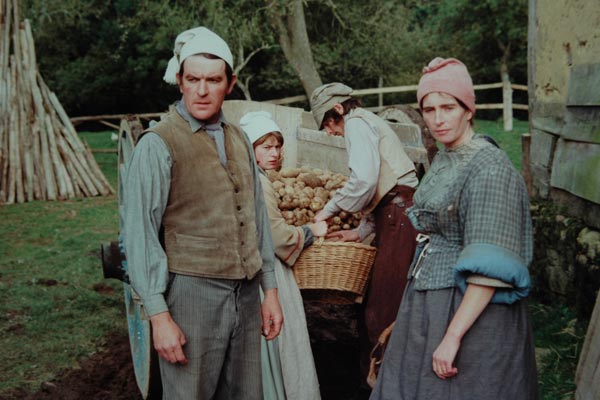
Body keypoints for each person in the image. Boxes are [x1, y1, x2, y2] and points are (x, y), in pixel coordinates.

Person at [122, 27, 283, 400]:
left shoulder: (240, 138)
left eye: (213, 80)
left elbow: (257, 218)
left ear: (230, 83)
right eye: (192, 79)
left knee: (245, 394)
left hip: (245, 296)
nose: (201, 90)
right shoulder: (159, 143)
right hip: (190, 295)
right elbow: (139, 233)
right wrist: (159, 317)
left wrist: (269, 290)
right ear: (179, 80)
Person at [370, 57, 538, 399]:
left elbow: (491, 267)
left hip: (472, 312)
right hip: (429, 300)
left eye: (448, 106)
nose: (438, 118)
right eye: (429, 109)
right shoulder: (447, 156)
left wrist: (452, 337)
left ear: (468, 109)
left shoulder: (489, 168)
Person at [309, 83, 420, 386]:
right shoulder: (366, 122)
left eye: (328, 124)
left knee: (384, 309)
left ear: (339, 110)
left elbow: (365, 182)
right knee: (376, 306)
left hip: (401, 219)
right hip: (393, 216)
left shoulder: (357, 124)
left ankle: (389, 385)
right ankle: (380, 383)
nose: (329, 132)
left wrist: (327, 211)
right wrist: (360, 232)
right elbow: (380, 189)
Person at [240, 111, 325, 400]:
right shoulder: (258, 182)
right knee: (281, 339)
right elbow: (276, 237)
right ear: (251, 150)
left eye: (277, 146)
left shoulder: (256, 176)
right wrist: (310, 231)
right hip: (267, 272)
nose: (274, 153)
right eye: (266, 147)